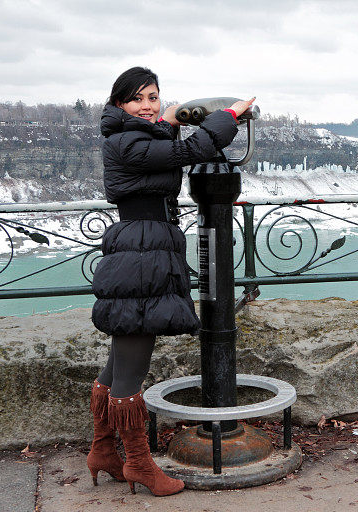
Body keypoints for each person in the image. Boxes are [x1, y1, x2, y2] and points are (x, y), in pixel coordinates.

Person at [86, 66, 254, 497]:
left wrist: (173, 117)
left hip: (146, 244)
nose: (147, 105)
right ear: (119, 103)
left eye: (153, 97)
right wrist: (229, 116)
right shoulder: (125, 141)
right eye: (137, 99)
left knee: (117, 360)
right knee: (133, 361)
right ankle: (139, 465)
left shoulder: (135, 133)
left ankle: (103, 450)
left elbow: (162, 137)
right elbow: (190, 151)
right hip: (141, 251)